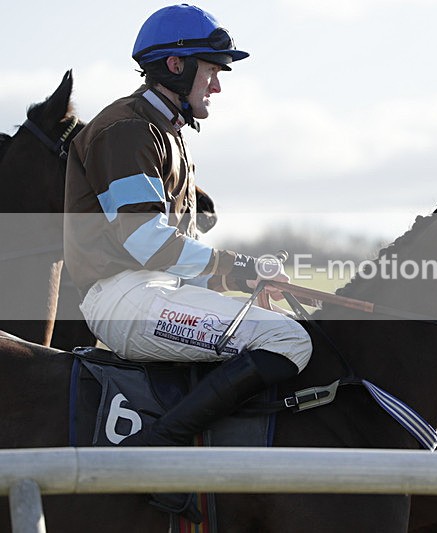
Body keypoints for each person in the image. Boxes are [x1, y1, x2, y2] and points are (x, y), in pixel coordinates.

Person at [64, 4, 312, 520]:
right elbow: (147, 242)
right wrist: (239, 268)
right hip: (127, 297)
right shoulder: (126, 129)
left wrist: (237, 280)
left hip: (151, 292)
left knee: (282, 326)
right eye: (213, 69)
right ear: (176, 65)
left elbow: (171, 255)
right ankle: (151, 456)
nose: (217, 85)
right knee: (289, 339)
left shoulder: (162, 130)